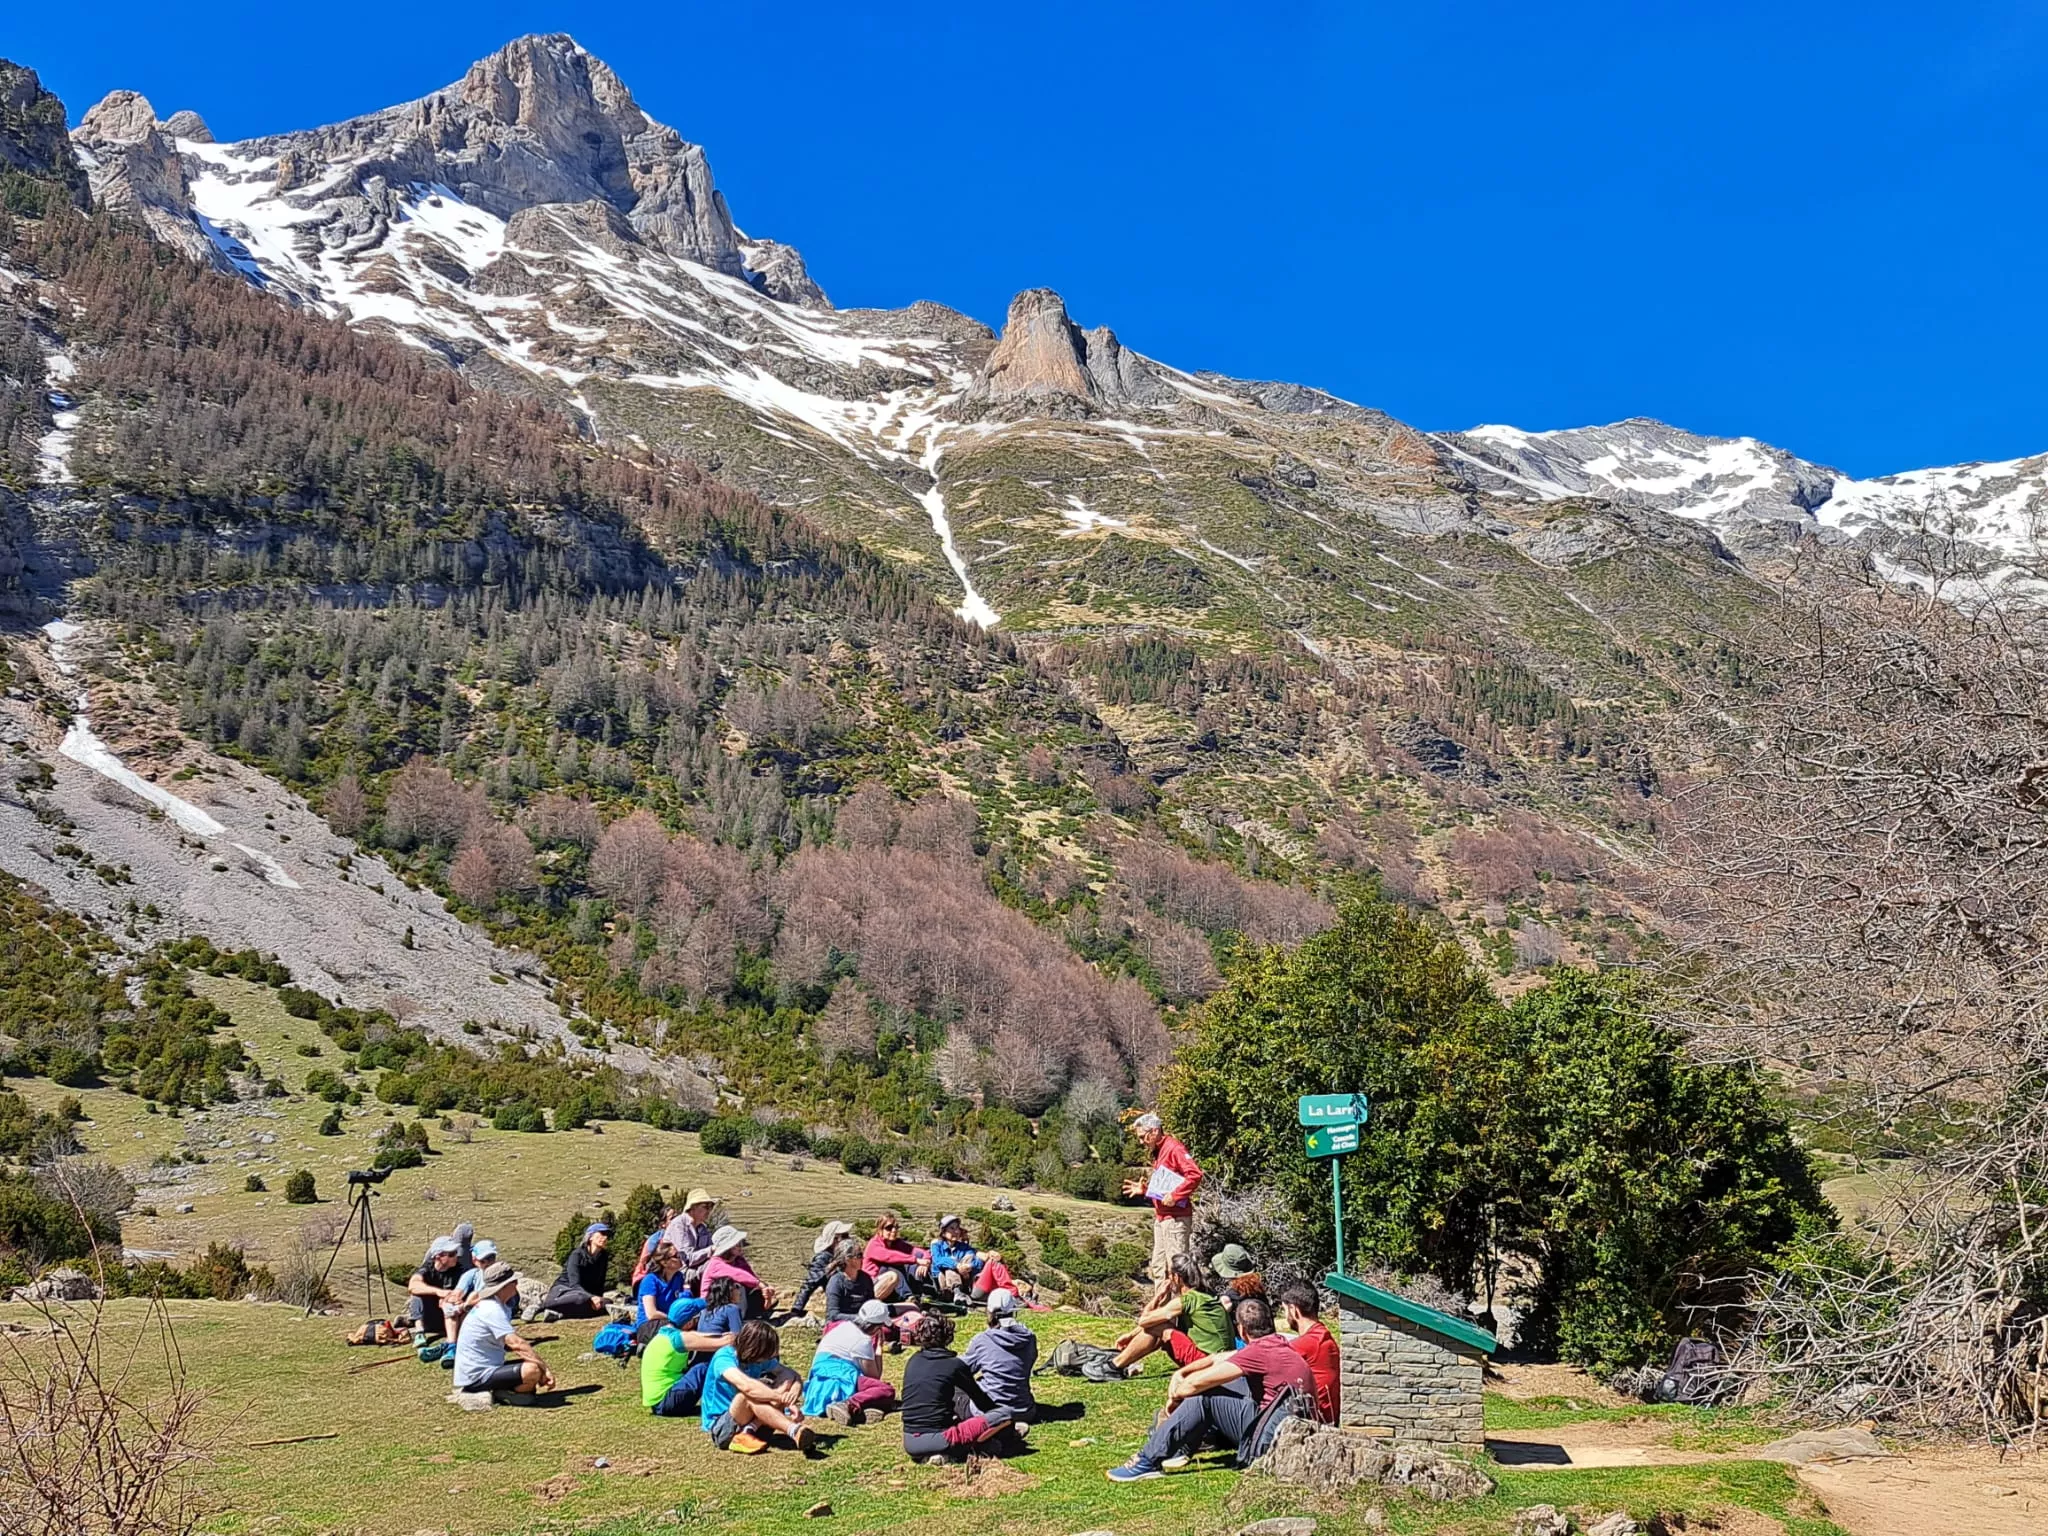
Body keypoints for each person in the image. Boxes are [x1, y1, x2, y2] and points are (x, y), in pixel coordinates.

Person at [1105, 1297, 1315, 1482]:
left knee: (1204, 1397)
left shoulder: (1258, 1352)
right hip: (1287, 1429)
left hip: (1267, 1444)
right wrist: (1181, 1374)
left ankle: (1147, 1460)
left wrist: (1176, 1394)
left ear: (1241, 1330)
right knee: (1224, 1384)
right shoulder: (1281, 1344)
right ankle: (1179, 1447)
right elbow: (1221, 1358)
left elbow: (1194, 1385)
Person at [899, 1311, 1019, 1464]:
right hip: (941, 1437)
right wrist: (998, 1417)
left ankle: (935, 1455)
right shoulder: (954, 1365)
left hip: (910, 1440)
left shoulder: (913, 1361)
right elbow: (982, 1402)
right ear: (948, 1337)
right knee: (1005, 1414)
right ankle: (963, 1450)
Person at [700, 1318, 814, 1454]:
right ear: (753, 1348)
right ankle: (793, 1430)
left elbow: (791, 1375)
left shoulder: (758, 1360)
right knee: (747, 1395)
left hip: (756, 1425)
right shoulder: (724, 1358)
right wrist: (779, 1397)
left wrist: (792, 1397)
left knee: (778, 1384)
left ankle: (748, 1431)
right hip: (722, 1429)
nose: (768, 1358)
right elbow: (747, 1386)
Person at [642, 1276, 746, 1417]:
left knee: (699, 1365)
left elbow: (701, 1337)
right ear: (689, 1322)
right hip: (667, 1402)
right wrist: (731, 1338)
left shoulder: (664, 1334)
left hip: (658, 1403)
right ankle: (724, 1402)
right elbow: (724, 1343)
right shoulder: (680, 1338)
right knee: (704, 1367)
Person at [1111, 1255, 1233, 1375]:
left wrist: (1158, 1296)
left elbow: (1144, 1320)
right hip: (1223, 1360)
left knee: (1161, 1328)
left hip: (1208, 1362)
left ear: (1177, 1277)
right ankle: (1122, 1362)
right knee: (1161, 1326)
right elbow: (1155, 1319)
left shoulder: (1188, 1299)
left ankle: (1114, 1366)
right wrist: (1131, 1335)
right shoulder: (1203, 1296)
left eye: (1169, 1274)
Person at [453, 1261, 556, 1398]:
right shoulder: (491, 1309)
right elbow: (516, 1343)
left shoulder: (495, 1306)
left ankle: (509, 1390)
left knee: (532, 1364)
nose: (516, 1285)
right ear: (504, 1286)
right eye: (514, 1281)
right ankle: (511, 1394)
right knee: (532, 1370)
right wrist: (544, 1368)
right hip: (478, 1376)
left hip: (481, 1371)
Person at [1123, 1111, 1202, 1282]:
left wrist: (1175, 1195)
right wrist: (1146, 1190)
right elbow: (1165, 1183)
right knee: (1159, 1268)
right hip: (1162, 1217)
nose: (1141, 1142)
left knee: (1177, 1269)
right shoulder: (1159, 1151)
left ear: (1154, 1131)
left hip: (1176, 1219)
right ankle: (1161, 1306)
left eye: (1143, 1137)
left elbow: (1195, 1174)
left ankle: (1180, 1306)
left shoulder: (1174, 1148)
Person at [802, 1298, 900, 1426]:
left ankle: (857, 1410)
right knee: (885, 1390)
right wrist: (879, 1349)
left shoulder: (842, 1327)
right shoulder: (862, 1341)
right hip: (841, 1376)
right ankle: (848, 1404)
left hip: (819, 1380)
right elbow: (875, 1376)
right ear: (876, 1327)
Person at [961, 1288, 1038, 1422]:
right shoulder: (1029, 1339)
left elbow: (962, 1370)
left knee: (956, 1392)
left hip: (989, 1412)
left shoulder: (983, 1340)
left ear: (989, 1312)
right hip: (1024, 1411)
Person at [1278, 1280, 1340, 1424]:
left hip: (1313, 1421)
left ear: (1294, 1310)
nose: (1285, 1316)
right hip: (1326, 1418)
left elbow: (1262, 1357)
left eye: (1285, 1310)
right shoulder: (1322, 1335)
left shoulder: (1308, 1343)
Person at [928, 1213, 1017, 1302]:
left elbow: (976, 1260)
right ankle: (957, 1292)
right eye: (952, 1228)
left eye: (957, 1228)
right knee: (949, 1267)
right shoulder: (936, 1245)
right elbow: (938, 1260)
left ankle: (962, 1294)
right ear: (943, 1232)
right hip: (945, 1283)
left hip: (965, 1280)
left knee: (968, 1258)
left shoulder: (963, 1247)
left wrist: (968, 1267)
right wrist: (957, 1265)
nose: (956, 1231)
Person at [538, 1221, 612, 1319]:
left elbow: (600, 1283)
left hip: (585, 1294)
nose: (605, 1237)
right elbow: (574, 1284)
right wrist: (591, 1297)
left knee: (607, 1303)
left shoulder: (603, 1256)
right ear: (590, 1237)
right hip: (564, 1291)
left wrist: (598, 1299)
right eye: (602, 1233)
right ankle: (541, 1307)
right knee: (581, 1298)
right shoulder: (577, 1255)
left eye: (607, 1235)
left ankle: (559, 1314)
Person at [701, 1225, 777, 1318]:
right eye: (736, 1244)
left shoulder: (739, 1260)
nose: (740, 1246)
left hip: (734, 1302)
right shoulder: (715, 1264)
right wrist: (760, 1284)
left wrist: (765, 1290)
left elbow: (751, 1277)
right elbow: (737, 1274)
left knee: (755, 1291)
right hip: (714, 1307)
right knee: (736, 1286)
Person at [787, 1220, 856, 1317]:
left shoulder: (840, 1255)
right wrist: (796, 1310)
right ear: (834, 1239)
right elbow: (809, 1284)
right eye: (844, 1236)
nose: (848, 1238)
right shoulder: (823, 1257)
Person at [408, 1235, 466, 1346]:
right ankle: (419, 1332)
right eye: (452, 1254)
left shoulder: (459, 1271)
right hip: (430, 1315)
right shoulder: (427, 1269)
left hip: (450, 1314)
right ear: (439, 1256)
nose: (456, 1257)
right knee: (417, 1295)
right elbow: (413, 1285)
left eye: (455, 1253)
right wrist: (438, 1292)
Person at [863, 1212, 931, 1302]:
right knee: (890, 1267)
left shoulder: (897, 1243)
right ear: (880, 1230)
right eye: (889, 1228)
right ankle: (908, 1297)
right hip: (875, 1283)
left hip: (895, 1284)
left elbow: (919, 1252)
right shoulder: (874, 1245)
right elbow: (890, 1257)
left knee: (912, 1264)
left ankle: (922, 1293)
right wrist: (916, 1260)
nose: (894, 1230)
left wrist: (925, 1260)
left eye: (896, 1227)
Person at [662, 1189, 719, 1289]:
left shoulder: (703, 1228)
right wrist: (711, 1250)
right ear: (692, 1207)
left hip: (696, 1270)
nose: (709, 1211)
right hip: (679, 1272)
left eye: (711, 1207)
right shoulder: (679, 1225)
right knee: (717, 1267)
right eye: (705, 1207)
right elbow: (688, 1259)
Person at [635, 1241, 690, 1332]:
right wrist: (673, 1320)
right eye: (676, 1256)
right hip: (649, 1325)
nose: (680, 1258)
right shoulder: (650, 1280)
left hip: (671, 1321)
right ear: (664, 1262)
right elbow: (651, 1313)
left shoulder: (678, 1277)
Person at [824, 1239, 878, 1324]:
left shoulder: (866, 1279)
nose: (863, 1258)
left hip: (863, 1323)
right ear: (847, 1259)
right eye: (859, 1255)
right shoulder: (836, 1282)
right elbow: (833, 1315)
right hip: (840, 1325)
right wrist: (858, 1319)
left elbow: (871, 1304)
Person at [629, 1204, 677, 1286]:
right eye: (672, 1218)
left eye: (677, 1217)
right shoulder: (654, 1241)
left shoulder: (682, 1237)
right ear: (663, 1224)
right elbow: (646, 1264)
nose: (676, 1221)